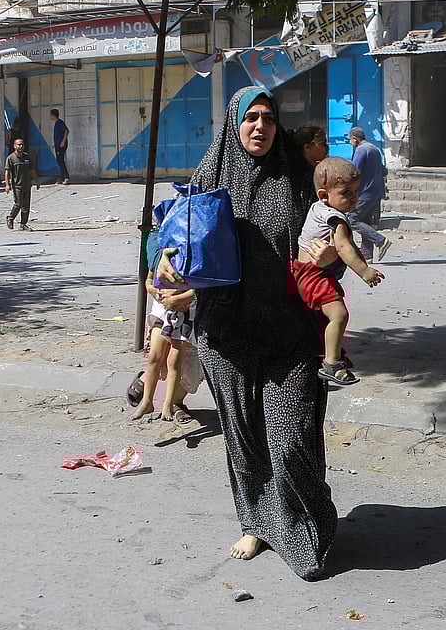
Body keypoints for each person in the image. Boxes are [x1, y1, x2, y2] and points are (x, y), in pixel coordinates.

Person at [156, 85, 337, 580]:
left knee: (292, 438)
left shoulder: (301, 179)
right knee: (245, 439)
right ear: (233, 124)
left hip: (290, 332)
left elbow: (331, 240)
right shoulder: (209, 176)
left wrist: (332, 261)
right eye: (251, 118)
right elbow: (171, 245)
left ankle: (308, 529)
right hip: (227, 333)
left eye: (269, 118)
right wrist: (170, 271)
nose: (260, 126)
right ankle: (257, 522)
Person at [292, 156, 385, 386]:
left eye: (355, 191)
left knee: (328, 316)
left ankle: (334, 353)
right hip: (315, 275)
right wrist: (365, 272)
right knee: (339, 315)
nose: (353, 198)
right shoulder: (335, 219)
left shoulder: (318, 208)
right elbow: (344, 247)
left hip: (306, 271)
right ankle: (331, 363)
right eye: (346, 192)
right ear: (324, 194)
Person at [133, 272, 200, 424]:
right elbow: (150, 278)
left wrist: (178, 298)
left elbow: (200, 287)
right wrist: (153, 290)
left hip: (186, 312)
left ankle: (169, 404)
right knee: (154, 357)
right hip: (163, 309)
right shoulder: (163, 253)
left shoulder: (193, 255)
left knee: (174, 361)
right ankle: (147, 401)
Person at [347, 126, 392, 261]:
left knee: (352, 220)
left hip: (364, 193)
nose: (350, 143)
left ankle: (380, 240)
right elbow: (383, 171)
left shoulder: (361, 150)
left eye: (350, 140)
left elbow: (354, 172)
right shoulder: (374, 149)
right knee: (365, 221)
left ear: (355, 139)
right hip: (376, 192)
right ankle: (366, 255)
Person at [4, 136, 38, 229]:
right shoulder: (11, 158)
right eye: (19, 144)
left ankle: (23, 224)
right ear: (14, 146)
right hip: (17, 185)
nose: (21, 146)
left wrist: (37, 181)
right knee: (18, 203)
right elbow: (7, 172)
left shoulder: (27, 157)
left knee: (26, 206)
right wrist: (7, 184)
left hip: (27, 184)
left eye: (22, 144)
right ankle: (10, 218)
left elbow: (32, 170)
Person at [50, 108, 70, 185]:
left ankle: (66, 177)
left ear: (53, 115)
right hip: (58, 145)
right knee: (59, 160)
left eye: (51, 115)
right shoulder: (57, 123)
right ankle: (62, 177)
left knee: (61, 160)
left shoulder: (60, 122)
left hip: (61, 145)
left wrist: (63, 141)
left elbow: (67, 131)